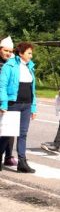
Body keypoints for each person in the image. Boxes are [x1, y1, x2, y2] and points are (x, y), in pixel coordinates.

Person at [0, 42, 37, 173]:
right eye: (29, 53)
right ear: (21, 53)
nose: (31, 56)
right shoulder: (9, 66)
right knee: (8, 133)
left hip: (26, 105)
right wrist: (3, 103)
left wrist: (33, 107)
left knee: (23, 134)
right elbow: (2, 86)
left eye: (31, 53)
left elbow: (32, 89)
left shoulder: (30, 67)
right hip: (13, 104)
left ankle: (22, 163)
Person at [0, 36, 18, 167]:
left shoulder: (12, 64)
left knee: (10, 129)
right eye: (6, 50)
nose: (8, 53)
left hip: (9, 100)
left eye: (10, 51)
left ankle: (9, 156)